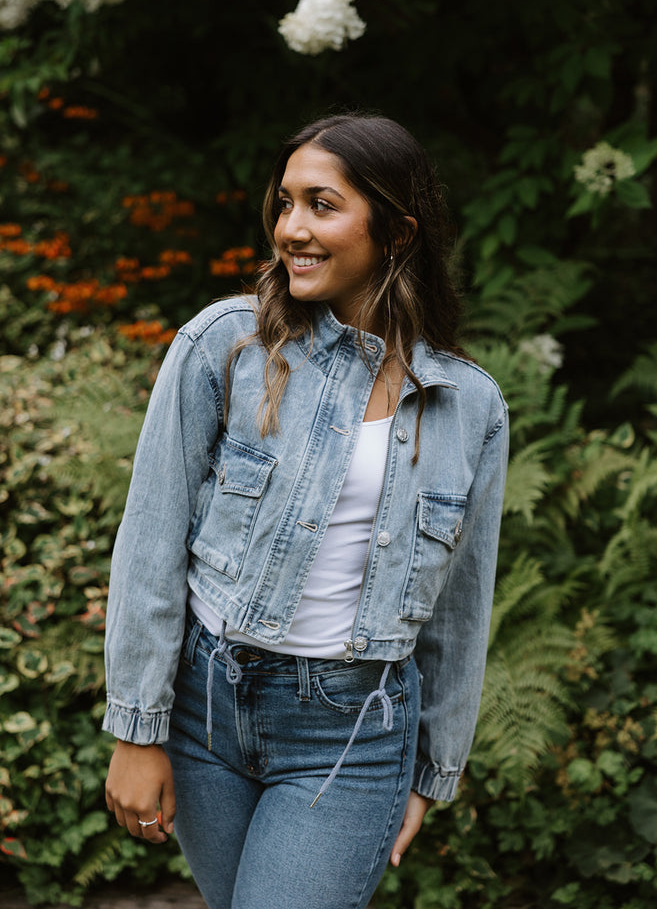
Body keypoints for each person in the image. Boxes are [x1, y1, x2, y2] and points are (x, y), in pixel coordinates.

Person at [104, 113, 508, 909]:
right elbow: (150, 546)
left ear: (394, 231)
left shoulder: (471, 406)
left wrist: (430, 774)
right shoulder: (225, 347)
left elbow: (461, 610)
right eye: (285, 203)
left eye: (320, 205)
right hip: (204, 713)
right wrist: (135, 730)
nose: (292, 228)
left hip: (351, 735)